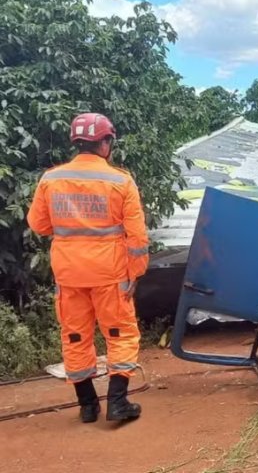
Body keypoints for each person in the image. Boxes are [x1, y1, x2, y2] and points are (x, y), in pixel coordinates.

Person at [27, 113, 149, 423]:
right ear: (105, 142)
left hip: (68, 272)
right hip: (110, 272)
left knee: (76, 336)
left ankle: (87, 405)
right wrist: (136, 272)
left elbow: (39, 225)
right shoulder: (121, 180)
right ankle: (118, 402)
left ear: (76, 142)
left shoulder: (51, 179)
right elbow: (136, 237)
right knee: (120, 334)